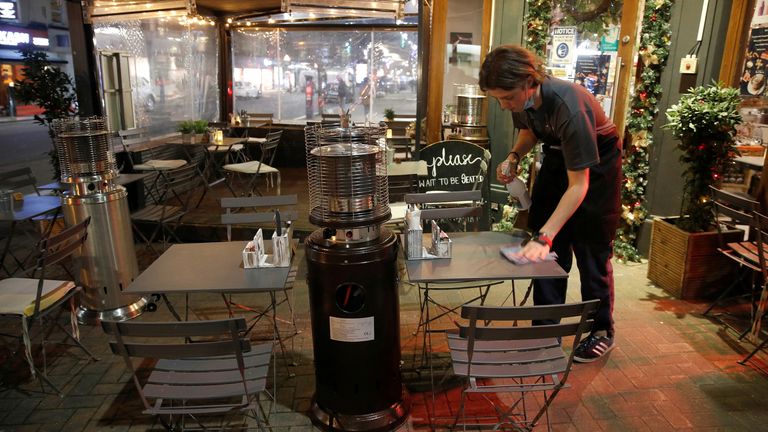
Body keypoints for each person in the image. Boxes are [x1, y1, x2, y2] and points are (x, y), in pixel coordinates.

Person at [479, 44, 622, 363]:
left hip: (597, 170)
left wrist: (547, 236)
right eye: (498, 99)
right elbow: (530, 130)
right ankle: (545, 332)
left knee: (591, 253)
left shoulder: (570, 105)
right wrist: (515, 156)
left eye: (507, 98)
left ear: (529, 80)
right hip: (558, 160)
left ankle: (601, 331)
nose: (504, 106)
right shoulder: (522, 96)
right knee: (546, 256)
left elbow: (579, 185)